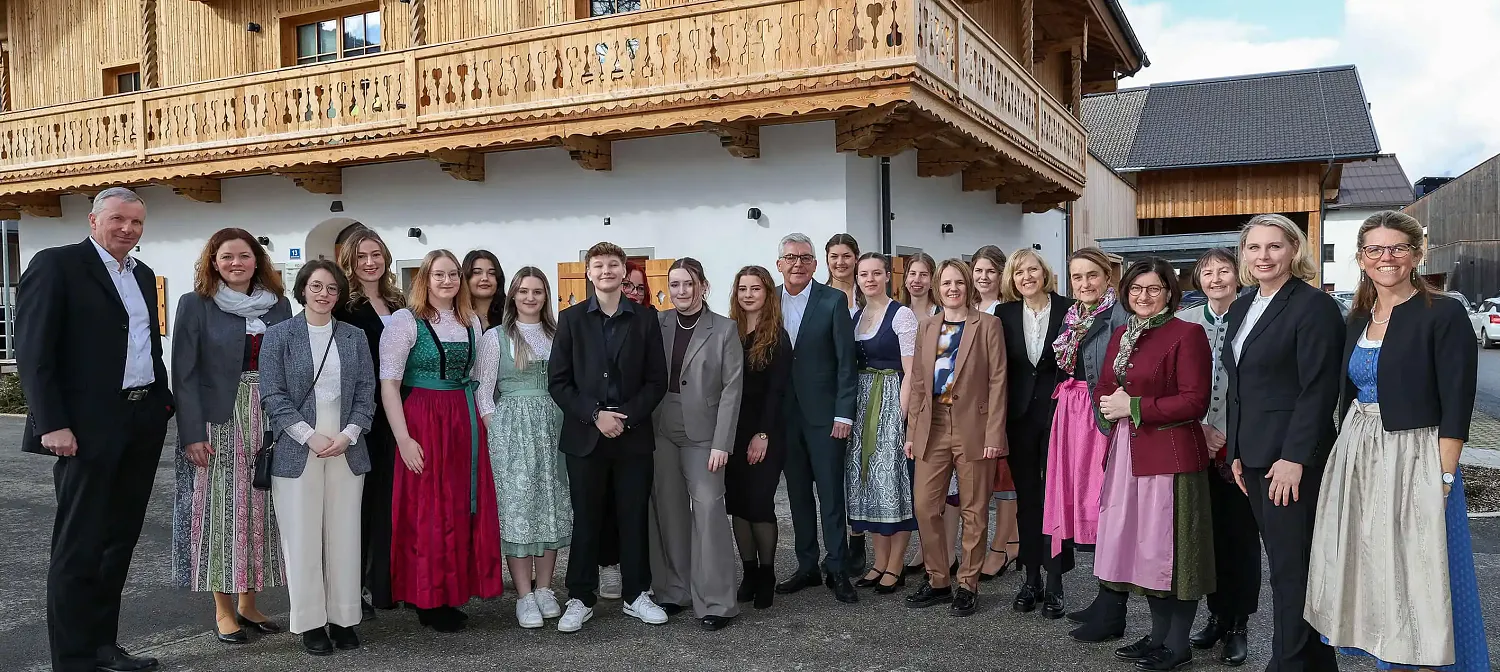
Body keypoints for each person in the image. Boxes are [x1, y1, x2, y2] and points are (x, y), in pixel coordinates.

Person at [1306, 210, 1489, 670]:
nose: (1386, 258)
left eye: (1397, 248)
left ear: (1415, 255)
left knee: (1420, 573)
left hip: (1416, 453)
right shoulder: (1356, 319)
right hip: (1359, 453)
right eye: (1374, 249)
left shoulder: (1442, 312)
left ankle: (1428, 661)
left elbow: (1457, 402)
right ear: (1362, 258)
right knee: (1374, 567)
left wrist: (1444, 474)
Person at [17, 188, 174, 672]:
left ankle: (104, 646)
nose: (128, 229)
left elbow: (144, 344)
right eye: (119, 219)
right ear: (93, 220)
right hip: (83, 428)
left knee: (119, 539)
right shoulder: (56, 264)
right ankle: (73, 658)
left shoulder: (143, 274)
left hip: (140, 420)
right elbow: (34, 351)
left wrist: (162, 400)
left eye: (137, 223)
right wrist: (53, 423)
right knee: (79, 544)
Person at [1223, 214, 1344, 671]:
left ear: (1294, 250)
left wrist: (1294, 457)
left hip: (1291, 458)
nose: (1263, 256)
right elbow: (1238, 385)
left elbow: (1318, 388)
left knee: (1292, 569)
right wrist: (1234, 449)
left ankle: (1288, 662)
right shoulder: (1243, 304)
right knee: (1286, 565)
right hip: (1252, 454)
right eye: (1254, 248)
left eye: (1274, 247)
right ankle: (1313, 663)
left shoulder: (1313, 306)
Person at [1093, 258, 1214, 671]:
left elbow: (1194, 401)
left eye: (1153, 289)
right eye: (1135, 290)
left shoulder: (1188, 333)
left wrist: (1135, 405)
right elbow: (1107, 384)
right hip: (1129, 452)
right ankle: (1158, 636)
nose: (1143, 297)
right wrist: (1107, 405)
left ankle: (1178, 645)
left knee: (1173, 554)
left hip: (1172, 456)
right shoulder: (1126, 333)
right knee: (1142, 550)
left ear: (1169, 292)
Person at [171, 228, 292, 643]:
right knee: (222, 513)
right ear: (213, 262)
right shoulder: (195, 305)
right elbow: (183, 375)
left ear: (257, 260)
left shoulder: (279, 306)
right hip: (218, 422)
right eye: (227, 257)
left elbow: (291, 362)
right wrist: (191, 433)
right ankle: (223, 610)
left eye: (243, 255)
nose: (236, 263)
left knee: (261, 511)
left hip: (269, 415)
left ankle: (249, 602)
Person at [379, 249, 504, 633]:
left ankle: (451, 593)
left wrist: (487, 427)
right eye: (439, 275)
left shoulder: (471, 322)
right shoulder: (405, 321)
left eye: (452, 274)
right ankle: (426, 598)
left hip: (461, 419)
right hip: (422, 419)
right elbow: (389, 384)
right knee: (427, 510)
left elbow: (481, 380)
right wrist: (403, 439)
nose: (447, 281)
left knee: (457, 507)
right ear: (425, 279)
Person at [549, 242, 670, 632]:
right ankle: (580, 597)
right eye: (598, 265)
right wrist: (596, 415)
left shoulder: (646, 319)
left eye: (613, 265)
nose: (606, 271)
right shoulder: (570, 320)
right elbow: (559, 382)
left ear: (624, 271)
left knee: (634, 518)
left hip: (633, 438)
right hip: (585, 437)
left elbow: (657, 381)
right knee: (586, 519)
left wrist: (626, 418)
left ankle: (637, 595)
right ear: (588, 272)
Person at [259, 260, 377, 656]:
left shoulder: (355, 336)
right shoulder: (278, 335)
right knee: (303, 538)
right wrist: (309, 436)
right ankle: (310, 623)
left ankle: (344, 619)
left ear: (340, 295)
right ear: (302, 289)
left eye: (331, 288)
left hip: (347, 444)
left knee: (345, 535)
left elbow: (366, 392)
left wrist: (348, 435)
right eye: (316, 286)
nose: (323, 293)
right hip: (298, 446)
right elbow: (272, 395)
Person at [904, 258, 1007, 617]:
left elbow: (998, 381)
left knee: (974, 510)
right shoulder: (927, 326)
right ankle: (937, 579)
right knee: (924, 506)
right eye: (945, 283)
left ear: (968, 286)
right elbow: (918, 383)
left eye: (958, 283)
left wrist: (994, 432)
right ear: (937, 287)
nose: (952, 288)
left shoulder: (988, 325)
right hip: (932, 426)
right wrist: (912, 432)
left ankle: (967, 584)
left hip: (975, 428)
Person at [648, 258, 745, 631]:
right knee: (669, 511)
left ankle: (717, 602)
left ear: (703, 286)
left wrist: (723, 442)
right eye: (674, 285)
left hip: (705, 434)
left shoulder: (724, 329)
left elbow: (732, 391)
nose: (681, 291)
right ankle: (675, 591)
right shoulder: (658, 324)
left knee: (708, 511)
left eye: (688, 284)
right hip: (661, 428)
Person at [1177, 248, 1260, 666]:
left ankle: (1239, 623)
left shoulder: (1254, 315)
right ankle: (1215, 615)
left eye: (1223, 271)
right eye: (1206, 272)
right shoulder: (1187, 321)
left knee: (1240, 536)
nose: (1215, 279)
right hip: (1195, 441)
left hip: (1241, 444)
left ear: (1237, 274)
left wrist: (1229, 434)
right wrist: (1201, 428)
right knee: (1204, 534)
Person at [476, 267, 571, 629]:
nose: (530, 298)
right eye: (524, 291)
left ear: (546, 297)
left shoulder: (557, 335)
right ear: (513, 295)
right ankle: (524, 594)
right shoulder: (496, 337)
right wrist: (496, 429)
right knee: (519, 508)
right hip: (512, 430)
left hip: (553, 427)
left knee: (550, 503)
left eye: (538, 292)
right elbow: (484, 391)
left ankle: (546, 588)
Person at [772, 233, 860, 603]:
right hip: (783, 417)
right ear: (779, 264)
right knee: (797, 496)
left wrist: (844, 412)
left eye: (805, 258)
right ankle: (806, 565)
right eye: (790, 257)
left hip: (826, 417)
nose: (798, 264)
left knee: (830, 494)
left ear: (815, 264)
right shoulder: (767, 300)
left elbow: (846, 362)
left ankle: (837, 567)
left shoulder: (833, 300)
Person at [1048, 247, 1130, 640]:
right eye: (1077, 277)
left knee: (1103, 503)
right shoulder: (1073, 316)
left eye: (1091, 276)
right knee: (1081, 498)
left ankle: (1112, 608)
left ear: (1107, 276)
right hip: (1072, 410)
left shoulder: (1118, 315)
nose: (1084, 284)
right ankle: (1103, 600)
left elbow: (1124, 371)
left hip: (1099, 413)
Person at [993, 248, 1072, 618]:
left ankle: (1055, 582)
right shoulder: (1004, 313)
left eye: (1033, 269)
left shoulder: (1069, 309)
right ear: (1012, 278)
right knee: (1027, 499)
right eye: (1019, 271)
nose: (1027, 276)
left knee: (1056, 500)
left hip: (1059, 416)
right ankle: (1031, 579)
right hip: (1020, 418)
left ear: (1045, 273)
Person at [334, 227, 404, 616]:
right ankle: (356, 585)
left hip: (401, 409)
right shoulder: (344, 306)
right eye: (361, 256)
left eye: (376, 254)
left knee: (391, 500)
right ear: (350, 261)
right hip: (361, 413)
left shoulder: (398, 302)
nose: (370, 262)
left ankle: (387, 582)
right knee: (361, 502)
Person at [846, 253, 918, 594]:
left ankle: (896, 564)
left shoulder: (901, 315)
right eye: (864, 274)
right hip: (863, 403)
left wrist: (899, 419)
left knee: (894, 482)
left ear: (888, 276)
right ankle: (878, 561)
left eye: (877, 273)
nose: (870, 279)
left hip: (891, 400)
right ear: (857, 278)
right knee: (869, 485)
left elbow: (911, 371)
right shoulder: (857, 316)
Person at [726, 265, 793, 610]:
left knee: (759, 503)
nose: (748, 294)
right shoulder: (728, 332)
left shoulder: (776, 336)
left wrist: (763, 434)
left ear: (768, 293)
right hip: (732, 432)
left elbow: (777, 392)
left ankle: (767, 573)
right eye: (743, 289)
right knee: (737, 504)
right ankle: (748, 573)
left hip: (766, 431)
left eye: (755, 288)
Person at [898, 253, 960, 577]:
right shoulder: (899, 313)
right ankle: (925, 548)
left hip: (938, 411)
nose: (917, 280)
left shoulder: (942, 314)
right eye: (912, 273)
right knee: (916, 487)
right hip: (904, 407)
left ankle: (945, 553)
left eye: (924, 274)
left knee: (946, 490)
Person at [971, 244, 1019, 579]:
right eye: (978, 271)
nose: (984, 277)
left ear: (1001, 274)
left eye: (990, 271)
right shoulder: (968, 305)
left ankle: (1000, 547)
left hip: (1002, 401)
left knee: (1005, 479)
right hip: (971, 405)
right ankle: (1015, 542)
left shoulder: (1008, 309)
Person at [463, 249, 506, 330]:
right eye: (477, 272)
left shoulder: (512, 314)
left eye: (491, 273)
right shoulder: (457, 317)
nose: (485, 278)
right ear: (466, 278)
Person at [825, 233, 860, 313]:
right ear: (827, 259)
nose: (840, 262)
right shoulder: (818, 297)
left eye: (846, 256)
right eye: (834, 256)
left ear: (856, 258)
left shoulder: (867, 294)